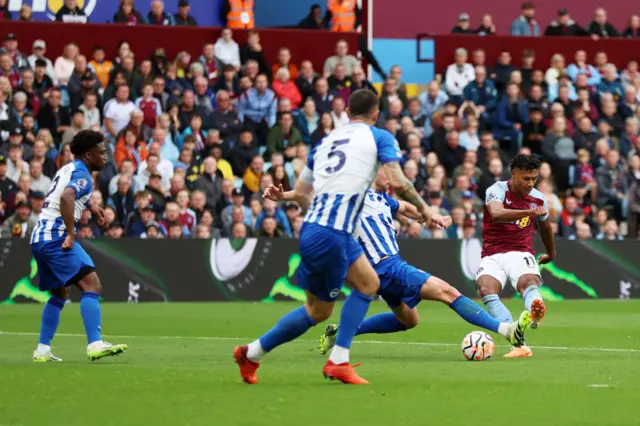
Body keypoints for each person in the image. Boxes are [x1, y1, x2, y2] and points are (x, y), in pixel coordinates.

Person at [239, 89, 438, 385]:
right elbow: (398, 181)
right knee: (325, 307)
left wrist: (284, 197)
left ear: (346, 112)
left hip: (315, 228)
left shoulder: (325, 143)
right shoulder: (378, 136)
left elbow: (304, 193)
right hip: (332, 233)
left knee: (344, 297)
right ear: (375, 113)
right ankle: (337, 361)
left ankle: (251, 354)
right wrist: (426, 209)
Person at [318, 168, 530, 353]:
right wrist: (289, 195)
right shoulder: (354, 198)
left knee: (409, 320)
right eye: (386, 172)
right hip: (387, 266)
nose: (390, 176)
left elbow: (406, 208)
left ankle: (341, 332)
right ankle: (506, 330)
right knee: (448, 292)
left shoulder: (380, 199)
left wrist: (431, 216)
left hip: (384, 270)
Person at [30, 130, 127, 362]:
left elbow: (66, 193)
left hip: (39, 237)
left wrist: (91, 206)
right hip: (56, 236)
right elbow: (66, 197)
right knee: (91, 283)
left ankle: (42, 349)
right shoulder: (82, 173)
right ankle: (94, 344)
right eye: (101, 153)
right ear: (88, 154)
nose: (105, 157)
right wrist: (71, 234)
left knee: (60, 291)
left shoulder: (69, 168)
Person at [476, 154, 555, 358]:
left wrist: (551, 253)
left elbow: (545, 228)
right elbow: (497, 214)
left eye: (533, 179)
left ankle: (535, 310)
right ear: (514, 174)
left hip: (520, 251)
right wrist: (529, 213)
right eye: (525, 178)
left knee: (528, 281)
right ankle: (520, 344)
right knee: (485, 288)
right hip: (492, 253)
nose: (530, 183)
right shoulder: (496, 190)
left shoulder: (538, 198)